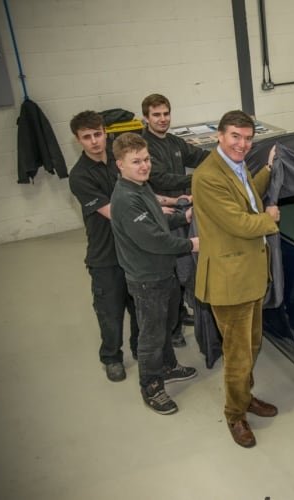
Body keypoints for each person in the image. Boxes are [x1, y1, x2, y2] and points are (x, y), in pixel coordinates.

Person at [192, 110, 280, 448]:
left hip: (250, 274)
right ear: (219, 135)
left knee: (252, 345)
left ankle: (245, 397)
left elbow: (247, 197)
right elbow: (240, 223)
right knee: (238, 354)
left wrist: (269, 170)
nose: (242, 144)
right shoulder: (207, 175)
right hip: (229, 280)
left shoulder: (236, 166)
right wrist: (269, 217)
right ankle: (234, 414)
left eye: (247, 138)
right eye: (235, 137)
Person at [109, 133, 199, 415]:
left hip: (163, 272)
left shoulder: (141, 187)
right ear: (120, 165)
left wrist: (180, 217)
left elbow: (157, 221)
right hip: (147, 278)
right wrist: (191, 244)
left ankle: (168, 366)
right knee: (150, 334)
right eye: (136, 161)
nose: (144, 166)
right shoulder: (125, 198)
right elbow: (154, 240)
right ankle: (151, 387)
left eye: (146, 159)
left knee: (167, 322)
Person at [68, 111, 140, 382]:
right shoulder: (80, 176)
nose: (94, 141)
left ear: (105, 132)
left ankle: (139, 349)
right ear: (78, 140)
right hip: (105, 255)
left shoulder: (119, 159)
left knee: (138, 307)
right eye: (87, 137)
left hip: (133, 250)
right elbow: (115, 213)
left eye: (97, 134)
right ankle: (111, 357)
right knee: (110, 312)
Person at [141, 93, 210, 347]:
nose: (162, 119)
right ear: (146, 118)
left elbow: (197, 155)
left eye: (166, 113)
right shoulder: (144, 146)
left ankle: (180, 314)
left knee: (183, 267)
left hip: (183, 213)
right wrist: (196, 181)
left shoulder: (174, 142)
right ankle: (172, 330)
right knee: (169, 274)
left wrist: (223, 156)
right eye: (156, 115)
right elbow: (159, 178)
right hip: (161, 216)